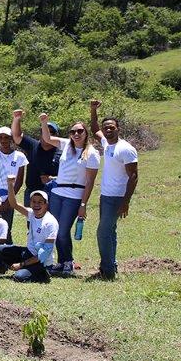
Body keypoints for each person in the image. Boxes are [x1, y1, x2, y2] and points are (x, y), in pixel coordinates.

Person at [41, 112, 99, 275]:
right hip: (57, 192)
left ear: (86, 133)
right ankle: (62, 261)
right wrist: (44, 123)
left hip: (74, 195)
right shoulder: (66, 144)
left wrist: (83, 204)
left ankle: (68, 262)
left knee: (63, 230)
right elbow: (47, 139)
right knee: (55, 228)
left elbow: (89, 182)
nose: (76, 134)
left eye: (80, 131)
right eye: (73, 131)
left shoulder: (92, 153)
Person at [89, 100, 139, 280]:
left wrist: (125, 202)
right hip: (106, 195)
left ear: (118, 128)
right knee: (110, 232)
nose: (108, 130)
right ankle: (110, 266)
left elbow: (133, 176)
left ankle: (108, 271)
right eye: (106, 127)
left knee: (102, 232)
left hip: (117, 197)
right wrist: (93, 110)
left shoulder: (126, 149)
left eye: (111, 127)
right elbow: (94, 128)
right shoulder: (106, 143)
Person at [0, 190, 59, 282]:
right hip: (28, 253)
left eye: (40, 202)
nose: (36, 205)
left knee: (18, 277)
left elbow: (44, 254)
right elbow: (14, 204)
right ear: (30, 203)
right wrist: (10, 184)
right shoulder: (31, 214)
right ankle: (26, 269)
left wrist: (21, 264)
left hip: (42, 261)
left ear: (46, 204)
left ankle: (43, 274)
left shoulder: (50, 223)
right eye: (34, 202)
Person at [11, 108, 61, 199]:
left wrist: (52, 179)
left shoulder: (63, 152)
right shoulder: (33, 145)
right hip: (31, 193)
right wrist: (16, 119)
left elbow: (70, 176)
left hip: (53, 194)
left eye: (51, 132)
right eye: (44, 131)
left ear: (57, 136)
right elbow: (17, 136)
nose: (47, 134)